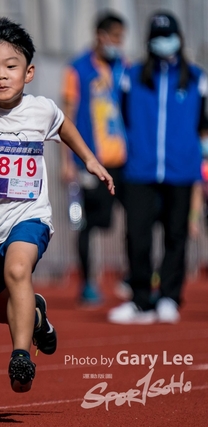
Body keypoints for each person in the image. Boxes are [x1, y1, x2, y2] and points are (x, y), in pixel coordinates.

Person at [0, 17, 114, 393]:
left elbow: (64, 125)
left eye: (11, 67)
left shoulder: (40, 109)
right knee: (4, 311)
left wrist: (90, 159)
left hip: (29, 217)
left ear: (28, 72)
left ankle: (20, 356)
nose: (1, 75)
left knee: (19, 271)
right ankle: (37, 318)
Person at [108, 11, 208, 325]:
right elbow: (123, 113)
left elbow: (203, 122)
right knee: (137, 234)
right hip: (140, 167)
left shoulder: (196, 78)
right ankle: (140, 299)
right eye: (158, 36)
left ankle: (168, 296)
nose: (164, 42)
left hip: (181, 168)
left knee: (175, 234)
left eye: (169, 35)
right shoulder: (132, 75)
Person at [61, 11, 128, 305]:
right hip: (90, 160)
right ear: (101, 35)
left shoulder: (125, 68)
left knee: (140, 215)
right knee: (87, 223)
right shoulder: (77, 69)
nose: (118, 43)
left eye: (121, 38)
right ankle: (88, 282)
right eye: (114, 37)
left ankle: (134, 276)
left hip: (124, 160)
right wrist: (67, 160)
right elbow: (68, 114)